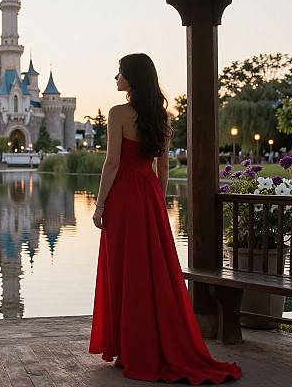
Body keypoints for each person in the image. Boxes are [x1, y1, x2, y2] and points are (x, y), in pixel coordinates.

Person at [88, 53, 241, 384]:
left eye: (120, 73)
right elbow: (163, 168)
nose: (116, 78)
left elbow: (112, 164)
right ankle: (146, 346)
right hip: (149, 198)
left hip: (124, 198)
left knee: (124, 270)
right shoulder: (161, 117)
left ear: (132, 77)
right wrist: (156, 200)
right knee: (150, 271)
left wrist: (99, 206)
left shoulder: (118, 114)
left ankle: (129, 349)